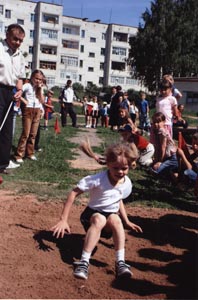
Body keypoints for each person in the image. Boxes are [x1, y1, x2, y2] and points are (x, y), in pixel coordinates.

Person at [51, 143, 143, 280]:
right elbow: (73, 193)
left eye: (124, 168)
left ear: (130, 166)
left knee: (116, 220)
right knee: (100, 219)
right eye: (116, 168)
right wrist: (63, 219)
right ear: (108, 165)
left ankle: (120, 263)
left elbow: (119, 200)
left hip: (110, 217)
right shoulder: (98, 179)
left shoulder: (126, 182)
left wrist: (127, 221)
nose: (120, 172)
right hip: (91, 215)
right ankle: (83, 262)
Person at [0, 23, 26, 174]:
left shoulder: (19, 56)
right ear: (7, 35)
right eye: (15, 39)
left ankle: (2, 164)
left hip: (11, 93)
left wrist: (20, 90)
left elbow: (20, 77)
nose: (17, 43)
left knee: (7, 130)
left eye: (20, 40)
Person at [14, 69, 45, 163]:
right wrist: (25, 102)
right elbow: (19, 92)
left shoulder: (40, 88)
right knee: (26, 134)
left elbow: (42, 100)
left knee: (33, 134)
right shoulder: (27, 85)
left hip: (37, 110)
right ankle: (19, 154)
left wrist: (40, 89)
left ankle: (30, 153)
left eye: (40, 79)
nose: (38, 81)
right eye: (36, 78)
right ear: (32, 77)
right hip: (28, 110)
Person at [150, 112, 178, 176]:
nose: (156, 124)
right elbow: (157, 147)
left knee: (156, 168)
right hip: (167, 156)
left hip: (172, 157)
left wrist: (160, 161)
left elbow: (163, 147)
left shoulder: (162, 131)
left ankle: (167, 171)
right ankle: (168, 170)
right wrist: (156, 160)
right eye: (154, 122)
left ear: (164, 122)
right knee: (154, 165)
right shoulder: (156, 131)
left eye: (158, 122)